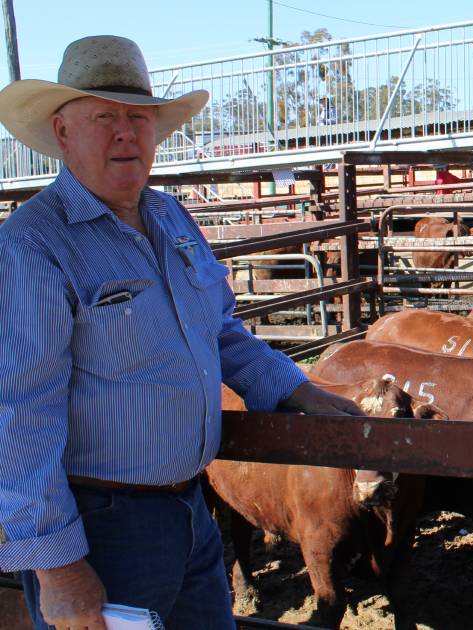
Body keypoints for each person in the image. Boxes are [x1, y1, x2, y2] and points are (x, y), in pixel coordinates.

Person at [0, 36, 363, 628]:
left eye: (137, 118)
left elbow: (218, 330)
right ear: (62, 133)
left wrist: (296, 388)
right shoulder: (34, 245)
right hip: (102, 525)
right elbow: (20, 412)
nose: (125, 133)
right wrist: (57, 566)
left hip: (193, 512)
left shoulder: (171, 216)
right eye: (104, 118)